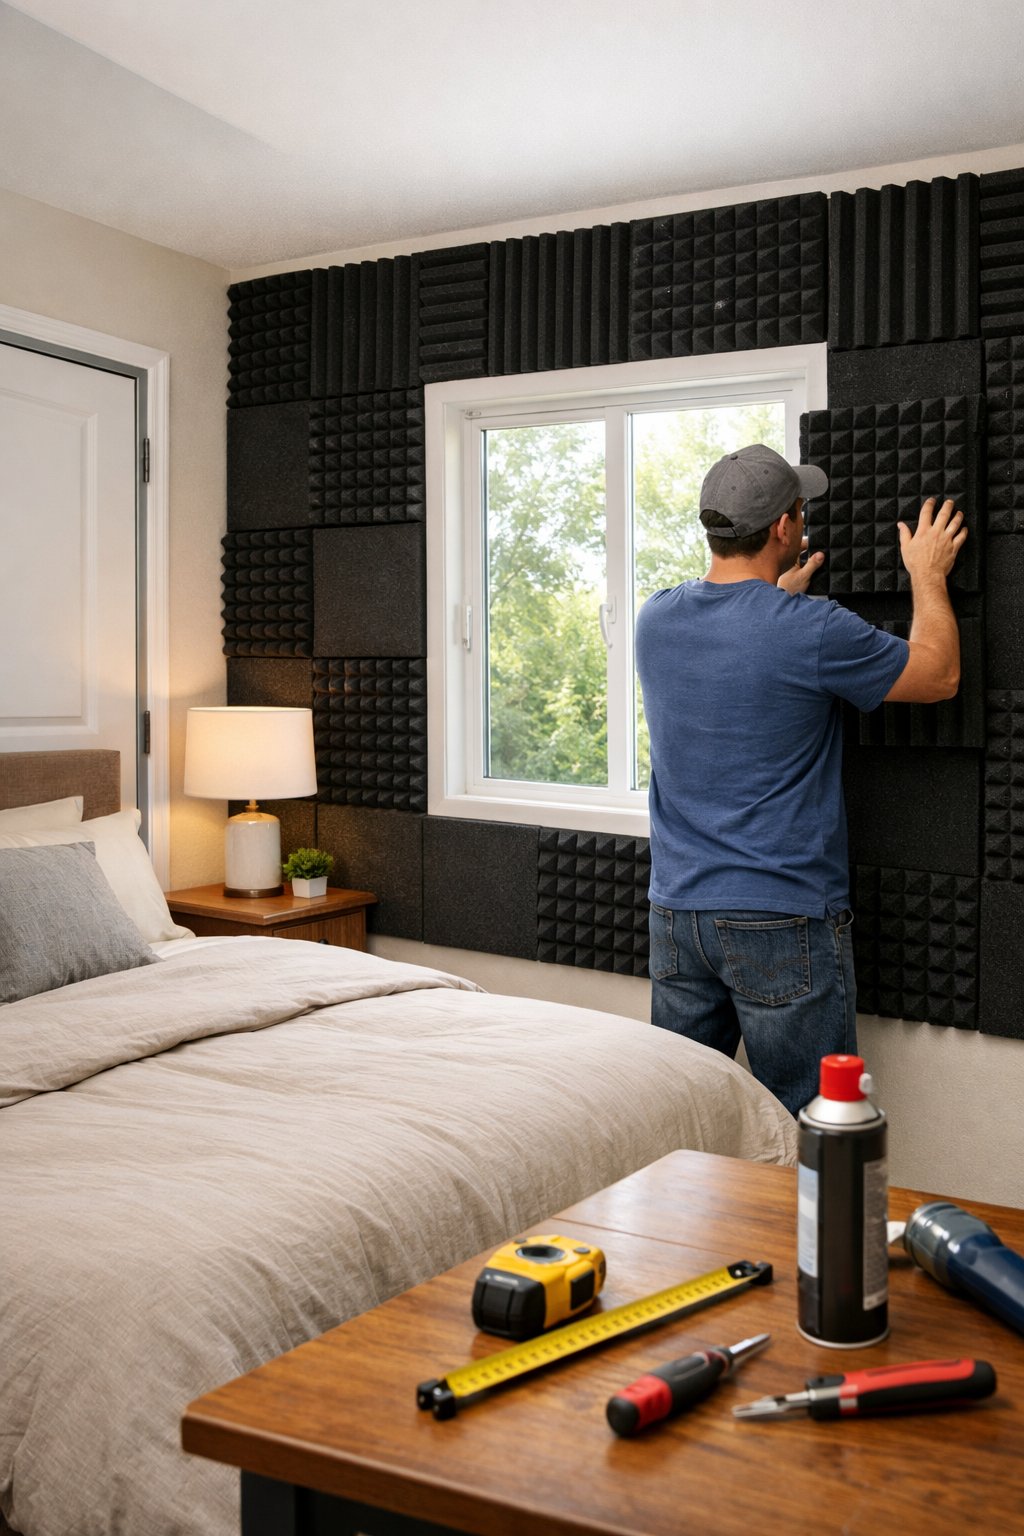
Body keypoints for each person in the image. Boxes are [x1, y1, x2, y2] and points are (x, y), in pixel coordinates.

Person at [634, 442, 966, 1115]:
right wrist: (927, 575)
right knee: (810, 1125)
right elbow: (939, 675)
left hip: (677, 917)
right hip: (778, 917)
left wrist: (771, 601)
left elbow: (735, 647)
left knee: (676, 1119)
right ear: (784, 528)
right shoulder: (810, 631)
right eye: (800, 510)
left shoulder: (655, 619)